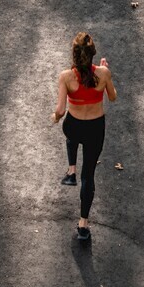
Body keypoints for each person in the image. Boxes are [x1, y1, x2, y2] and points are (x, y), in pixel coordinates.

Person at [51, 32, 117, 241]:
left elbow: (61, 110)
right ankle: (83, 224)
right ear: (93, 54)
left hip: (74, 126)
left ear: (74, 55)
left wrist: (55, 116)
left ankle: (71, 170)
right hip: (95, 129)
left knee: (71, 135)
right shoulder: (104, 73)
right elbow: (113, 97)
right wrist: (105, 71)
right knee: (88, 176)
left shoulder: (66, 77)